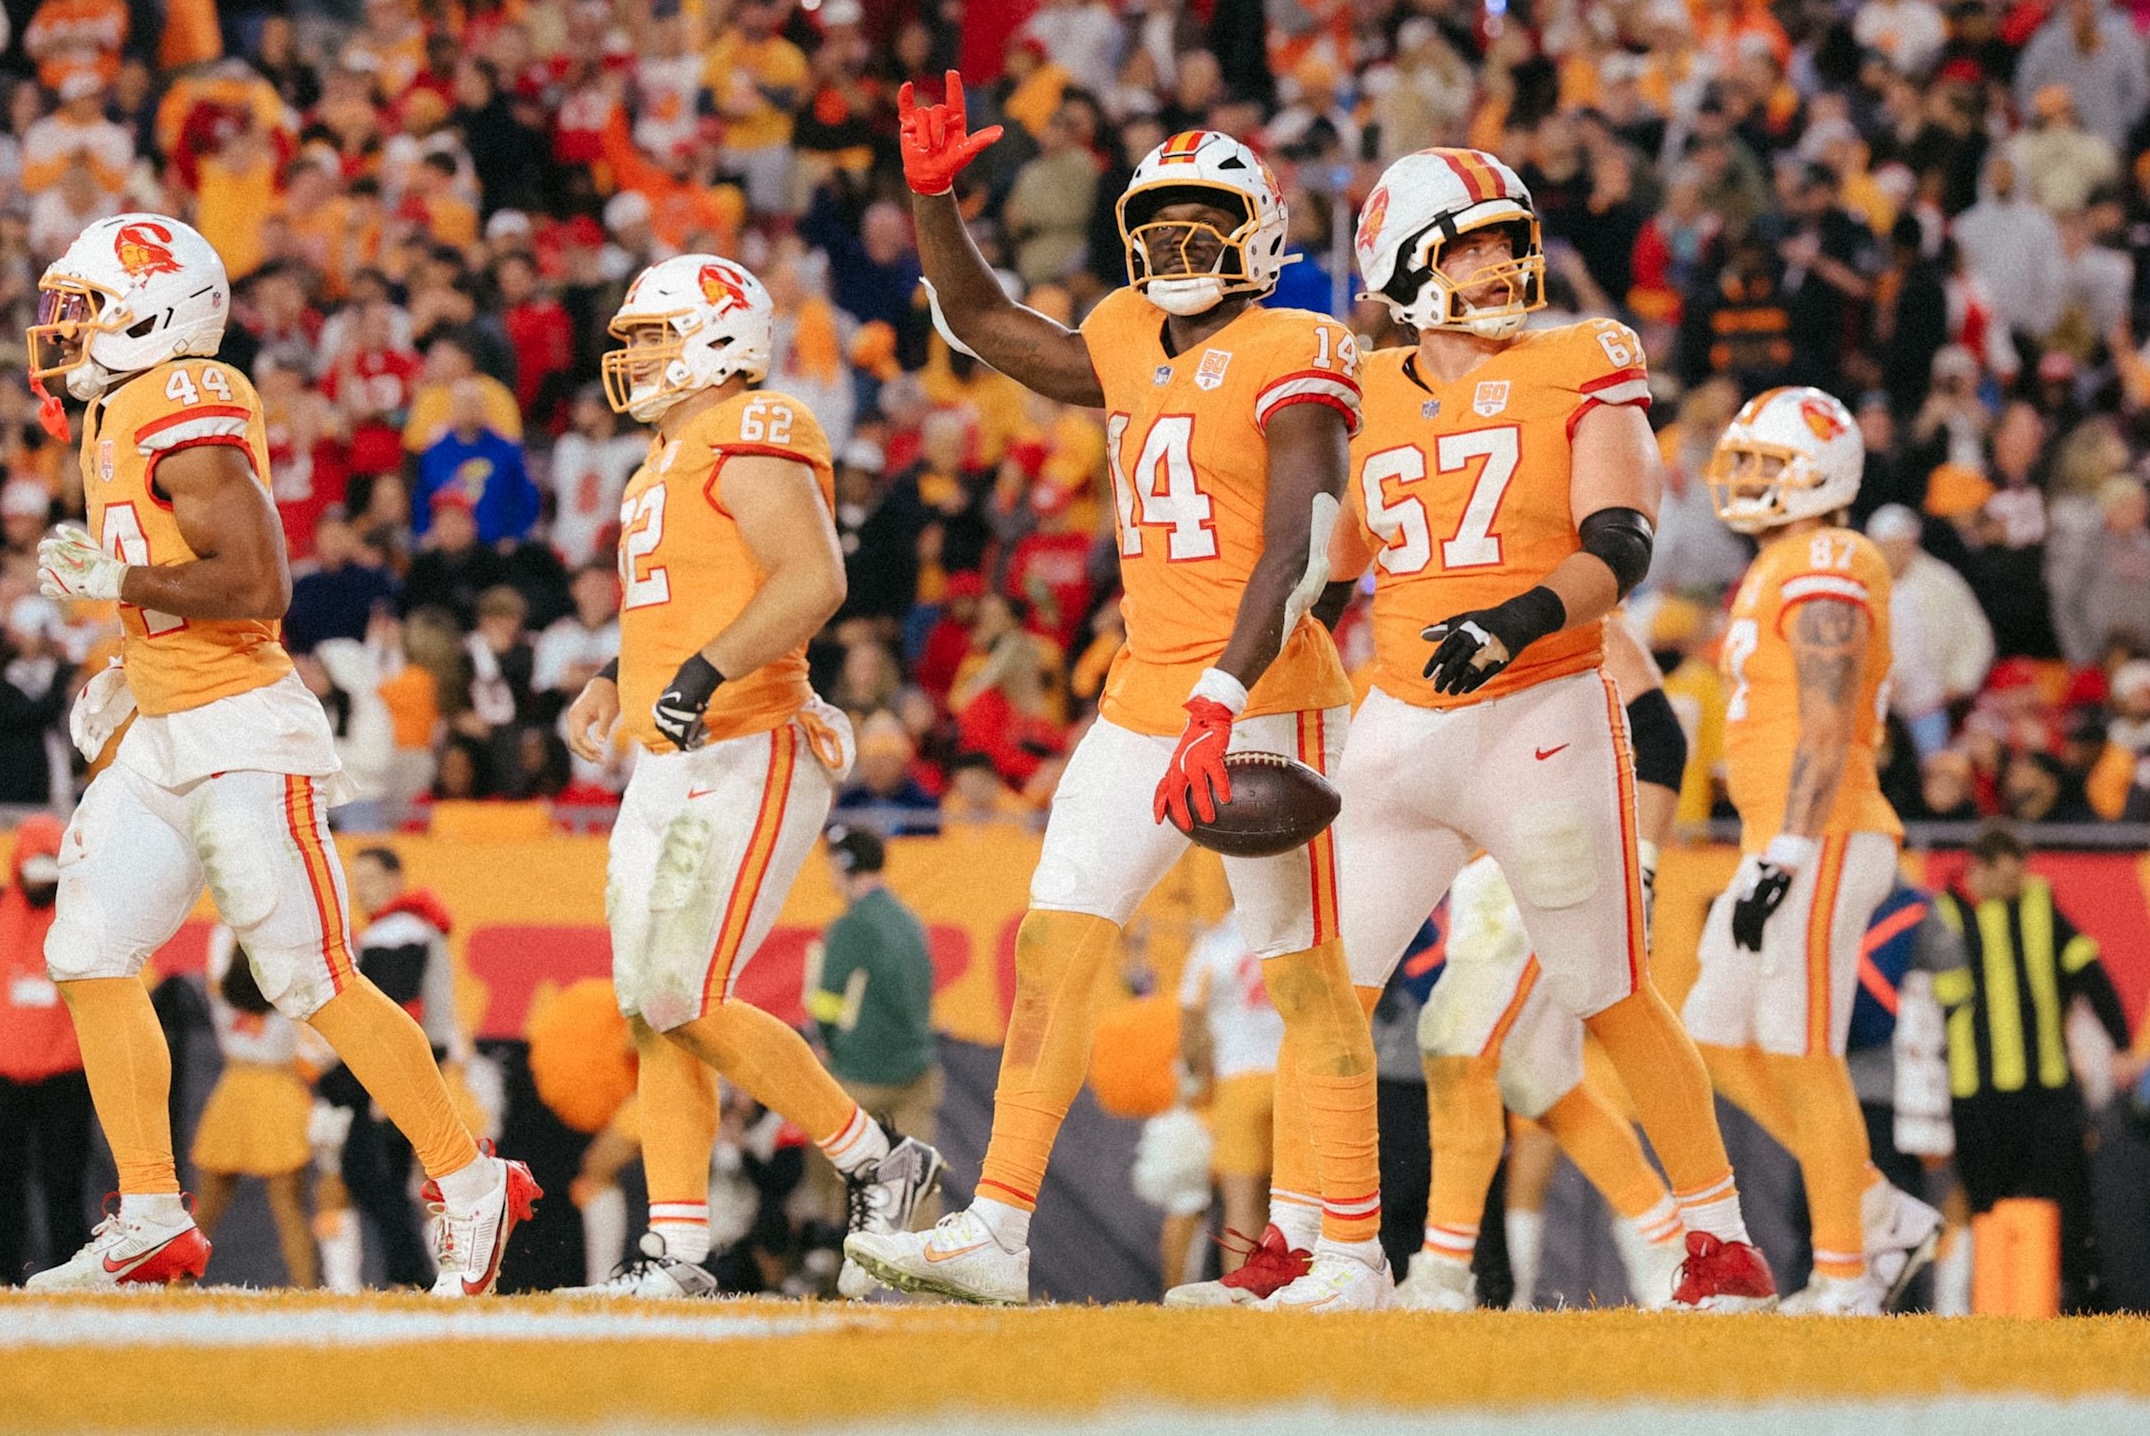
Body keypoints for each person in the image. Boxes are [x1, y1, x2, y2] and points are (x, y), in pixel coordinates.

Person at [848, 84, 1384, 1311]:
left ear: (1256, 234)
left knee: (1302, 971)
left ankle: (1348, 1252)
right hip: (1144, 693)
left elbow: (1301, 536)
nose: (1179, 248)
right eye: (1163, 223)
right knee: (1054, 940)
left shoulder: (1296, 348)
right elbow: (982, 318)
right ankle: (996, 1227)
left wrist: (1220, 690)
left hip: (1265, 691)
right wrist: (931, 201)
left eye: (1207, 224)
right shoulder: (1125, 330)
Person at [25, 214, 535, 1293]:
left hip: (242, 730)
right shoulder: (116, 407)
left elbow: (256, 583)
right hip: (165, 731)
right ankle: (153, 1214)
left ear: (153, 316)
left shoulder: (180, 398)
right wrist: (125, 662)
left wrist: (119, 590)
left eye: (87, 308)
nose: (64, 329)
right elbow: (170, 576)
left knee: (308, 976)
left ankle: (471, 1179)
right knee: (87, 949)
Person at [1313, 147, 1773, 1313]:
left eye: (1505, 241)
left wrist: (1518, 615)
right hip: (1399, 721)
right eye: (1468, 246)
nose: (1500, 264)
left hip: (1543, 710)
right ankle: (1327, 1249)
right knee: (1323, 986)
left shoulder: (1580, 357)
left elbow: (1621, 538)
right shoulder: (1359, 390)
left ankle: (1717, 1242)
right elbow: (1325, 573)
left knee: (1605, 985)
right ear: (1401, 266)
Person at [559, 253, 942, 1300]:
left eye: (651, 334)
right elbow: (689, 602)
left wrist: (702, 671)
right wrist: (612, 674)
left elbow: (813, 576)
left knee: (683, 987)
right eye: (629, 338)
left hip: (751, 735)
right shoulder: (659, 462)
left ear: (720, 334)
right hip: (672, 748)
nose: (632, 355)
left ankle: (878, 1159)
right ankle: (676, 1253)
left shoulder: (752, 425)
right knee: (652, 1003)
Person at [1682, 385, 1940, 1315]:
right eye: (1741, 462)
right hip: (1778, 839)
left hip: (1823, 834)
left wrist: (1787, 850)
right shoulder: (1778, 563)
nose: (1746, 478)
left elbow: (1827, 724)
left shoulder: (1831, 555)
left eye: (1766, 464)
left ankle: (1845, 1274)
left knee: (1803, 1047)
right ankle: (1873, 1207)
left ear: (1823, 474)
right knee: (1712, 1032)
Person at [1391, 625, 1693, 1313]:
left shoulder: (1576, 623)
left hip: (1550, 850)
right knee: (1545, 1083)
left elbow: (1662, 740)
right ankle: (1672, 1251)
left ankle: (1443, 1271)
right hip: (1495, 861)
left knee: (1456, 1046)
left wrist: (1641, 866)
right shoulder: (1445, 614)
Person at [1934, 822, 2139, 1312]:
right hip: (1973, 1090)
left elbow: (2090, 971)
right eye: (2007, 878)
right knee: (1985, 1202)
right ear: (1978, 869)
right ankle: (1991, 1303)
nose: (2017, 886)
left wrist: (2122, 1046)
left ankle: (2085, 1301)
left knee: (2070, 1199)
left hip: (2046, 1088)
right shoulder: (1943, 915)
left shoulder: (2040, 906)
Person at [319, 847, 467, 1288]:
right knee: (395, 1173)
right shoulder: (411, 928)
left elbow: (401, 1011)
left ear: (395, 878)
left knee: (366, 1167)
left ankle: (414, 1272)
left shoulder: (397, 932)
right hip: (420, 1064)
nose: (362, 889)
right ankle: (414, 1275)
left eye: (370, 878)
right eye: (356, 879)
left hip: (404, 1067)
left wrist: (387, 1086)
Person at [809, 825, 942, 1285]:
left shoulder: (851, 925)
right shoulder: (909, 919)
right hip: (918, 1069)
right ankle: (933, 1286)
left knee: (831, 1167)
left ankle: (830, 1265)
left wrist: (824, 1040)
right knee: (916, 1181)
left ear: (843, 865)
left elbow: (827, 1000)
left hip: (863, 1072)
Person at [190, 928, 319, 1288]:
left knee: (208, 1209)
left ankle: (174, 1285)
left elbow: (219, 954)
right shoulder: (290, 1000)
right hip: (276, 1091)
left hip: (238, 1090)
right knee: (289, 1207)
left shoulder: (221, 998)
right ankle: (307, 1290)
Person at [1170, 912, 1285, 1284]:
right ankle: (1298, 1294)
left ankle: (1242, 1294)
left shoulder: (1214, 941)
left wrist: (1195, 1082)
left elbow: (1192, 1024)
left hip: (1238, 1080)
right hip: (1294, 1078)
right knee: (1297, 1203)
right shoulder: (1299, 927)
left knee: (1241, 1203)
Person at [0, 816, 91, 1285]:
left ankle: (70, 1276)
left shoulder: (82, 914)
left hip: (65, 1076)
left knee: (64, 1185)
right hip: (4, 1079)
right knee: (3, 1187)